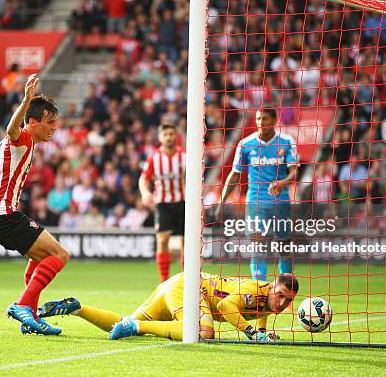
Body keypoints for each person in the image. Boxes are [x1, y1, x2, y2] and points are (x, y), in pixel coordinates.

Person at [0, 74, 71, 336]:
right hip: (2, 214)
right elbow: (11, 130)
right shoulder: (23, 139)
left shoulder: (27, 144)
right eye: (49, 123)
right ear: (32, 122)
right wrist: (27, 100)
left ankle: (29, 316)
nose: (54, 128)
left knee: (40, 258)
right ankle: (24, 306)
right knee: (60, 255)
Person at [41, 272, 298, 342]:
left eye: (288, 300)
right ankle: (137, 326)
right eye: (281, 296)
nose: (283, 303)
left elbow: (262, 312)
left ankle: (77, 308)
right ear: (273, 287)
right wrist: (250, 332)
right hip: (191, 288)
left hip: (175, 286)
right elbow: (226, 304)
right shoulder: (254, 291)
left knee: (122, 323)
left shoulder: (268, 299)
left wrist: (264, 331)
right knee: (202, 332)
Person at [220, 108, 299, 281]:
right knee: (257, 243)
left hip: (281, 201)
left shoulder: (286, 142)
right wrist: (221, 200)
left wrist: (282, 183)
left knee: (284, 246)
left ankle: (286, 287)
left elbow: (294, 173)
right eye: (258, 119)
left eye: (265, 118)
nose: (261, 122)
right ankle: (260, 288)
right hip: (255, 200)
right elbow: (234, 174)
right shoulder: (245, 144)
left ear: (274, 120)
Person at [139, 123, 186, 282]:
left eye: (171, 134)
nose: (169, 137)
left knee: (186, 241)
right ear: (160, 137)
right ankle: (164, 281)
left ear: (176, 136)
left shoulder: (185, 155)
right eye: (165, 134)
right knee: (162, 239)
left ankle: (188, 279)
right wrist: (145, 192)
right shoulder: (154, 157)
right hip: (163, 203)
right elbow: (144, 178)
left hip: (183, 201)